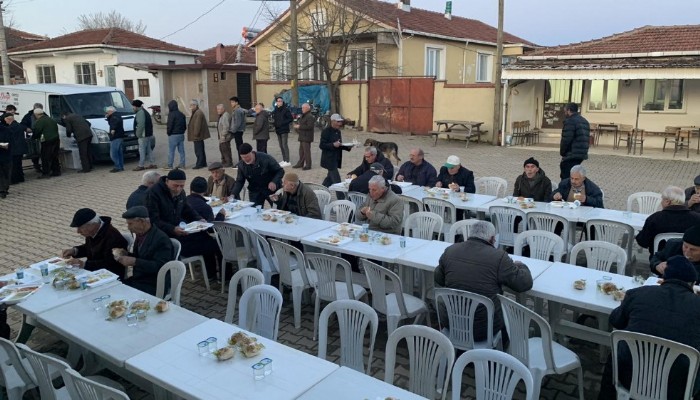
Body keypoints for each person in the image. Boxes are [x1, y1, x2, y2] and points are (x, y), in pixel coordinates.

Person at [598, 255, 700, 400]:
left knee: (615, 354)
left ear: (664, 278)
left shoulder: (637, 293)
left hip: (629, 375)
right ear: (692, 284)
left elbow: (616, 320)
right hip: (678, 387)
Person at [435, 220, 533, 348]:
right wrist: (522, 266)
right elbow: (523, 284)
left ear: (470, 235)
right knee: (505, 313)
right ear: (492, 239)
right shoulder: (499, 257)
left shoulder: (450, 250)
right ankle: (502, 352)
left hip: (451, 322)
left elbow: (439, 278)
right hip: (483, 329)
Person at [146, 168, 220, 279]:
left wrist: (198, 219)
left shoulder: (180, 192)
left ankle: (211, 274)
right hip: (163, 236)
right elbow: (153, 220)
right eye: (176, 186)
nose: (178, 189)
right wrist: (172, 229)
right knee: (211, 244)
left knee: (209, 239)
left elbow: (186, 209)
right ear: (167, 181)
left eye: (182, 186)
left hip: (179, 231)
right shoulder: (153, 193)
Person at [117, 206, 173, 296]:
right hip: (139, 280)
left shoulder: (161, 239)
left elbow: (160, 266)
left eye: (130, 224)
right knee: (115, 287)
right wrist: (127, 254)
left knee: (120, 294)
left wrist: (135, 262)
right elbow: (142, 256)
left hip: (153, 284)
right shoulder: (141, 234)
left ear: (142, 222)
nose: (128, 228)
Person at [636, 186, 700, 258]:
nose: (661, 202)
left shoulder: (655, 218)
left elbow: (643, 242)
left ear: (667, 202)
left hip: (659, 261)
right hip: (689, 261)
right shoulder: (697, 219)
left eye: (662, 199)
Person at [61, 208, 128, 277]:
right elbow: (89, 248)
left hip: (110, 276)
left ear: (92, 225)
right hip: (95, 272)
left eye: (80, 228)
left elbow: (110, 263)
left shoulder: (113, 237)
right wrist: (74, 251)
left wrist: (84, 264)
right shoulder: (93, 232)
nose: (78, 231)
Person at [319, 113, 352, 187]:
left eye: (340, 122)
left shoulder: (338, 131)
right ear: (332, 121)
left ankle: (321, 191)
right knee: (337, 182)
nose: (340, 124)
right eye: (338, 122)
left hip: (336, 159)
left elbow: (339, 145)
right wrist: (332, 145)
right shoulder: (326, 131)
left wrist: (348, 147)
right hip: (329, 160)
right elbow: (322, 145)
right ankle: (342, 197)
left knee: (329, 179)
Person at [559, 102, 590, 180]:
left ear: (569, 110)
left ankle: (566, 191)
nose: (564, 112)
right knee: (575, 176)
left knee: (566, 177)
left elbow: (566, 139)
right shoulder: (584, 121)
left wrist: (562, 152)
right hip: (581, 154)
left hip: (571, 154)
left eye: (565, 110)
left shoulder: (570, 121)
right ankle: (575, 191)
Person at [32, 108, 60, 178]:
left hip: (47, 141)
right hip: (56, 139)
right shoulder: (50, 119)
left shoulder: (40, 121)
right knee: (54, 156)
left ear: (36, 115)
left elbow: (37, 131)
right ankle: (56, 171)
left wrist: (34, 138)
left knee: (45, 157)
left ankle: (46, 173)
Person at [132, 99, 156, 171]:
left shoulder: (140, 113)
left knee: (141, 150)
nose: (132, 108)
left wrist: (138, 134)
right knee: (149, 149)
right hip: (148, 134)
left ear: (136, 106)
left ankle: (141, 165)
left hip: (143, 135)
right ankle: (152, 163)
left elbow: (141, 125)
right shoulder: (144, 111)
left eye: (133, 106)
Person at [2, 111, 25, 186]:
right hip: (21, 148)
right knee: (18, 164)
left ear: (7, 119)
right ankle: (21, 178)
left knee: (14, 165)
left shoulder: (10, 128)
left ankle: (14, 180)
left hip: (14, 148)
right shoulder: (19, 125)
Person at [187, 99, 210, 169]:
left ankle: (199, 163)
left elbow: (197, 125)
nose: (190, 106)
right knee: (200, 150)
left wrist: (196, 134)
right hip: (197, 136)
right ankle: (202, 163)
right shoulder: (196, 112)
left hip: (197, 136)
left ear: (195, 105)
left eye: (191, 105)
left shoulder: (198, 113)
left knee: (198, 150)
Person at [20, 103, 42, 172]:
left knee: (42, 151)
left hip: (41, 135)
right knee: (34, 152)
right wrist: (26, 128)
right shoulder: (28, 116)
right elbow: (22, 124)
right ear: (34, 108)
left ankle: (44, 166)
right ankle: (36, 166)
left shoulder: (43, 114)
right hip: (31, 136)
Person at [166, 99, 186, 170]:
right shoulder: (182, 114)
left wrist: (168, 132)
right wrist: (182, 131)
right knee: (181, 151)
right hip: (181, 134)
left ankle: (170, 165)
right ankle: (182, 164)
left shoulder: (171, 114)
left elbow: (170, 125)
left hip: (173, 135)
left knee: (171, 151)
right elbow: (184, 125)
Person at [293, 103, 314, 170]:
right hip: (302, 135)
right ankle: (300, 163)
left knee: (306, 152)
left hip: (307, 136)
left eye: (303, 108)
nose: (302, 109)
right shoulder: (303, 115)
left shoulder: (310, 116)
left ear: (307, 108)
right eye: (302, 108)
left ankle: (308, 165)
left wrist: (299, 126)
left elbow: (310, 126)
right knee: (301, 151)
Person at [272, 97, 292, 164]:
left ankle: (287, 160)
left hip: (284, 129)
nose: (279, 102)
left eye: (280, 101)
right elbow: (274, 118)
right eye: (278, 101)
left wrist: (283, 123)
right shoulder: (275, 110)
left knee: (284, 145)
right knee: (280, 145)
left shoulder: (286, 110)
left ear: (282, 102)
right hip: (278, 130)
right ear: (276, 102)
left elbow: (290, 118)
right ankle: (284, 159)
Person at [105, 106, 125, 173]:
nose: (107, 113)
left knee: (113, 153)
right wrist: (108, 117)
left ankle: (117, 167)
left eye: (107, 112)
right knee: (119, 153)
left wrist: (112, 130)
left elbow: (114, 124)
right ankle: (121, 166)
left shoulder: (114, 117)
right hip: (120, 136)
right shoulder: (117, 115)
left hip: (116, 137)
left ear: (111, 111)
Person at [229, 96, 247, 161]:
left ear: (236, 103)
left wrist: (232, 130)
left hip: (238, 130)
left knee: (239, 146)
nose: (231, 103)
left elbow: (237, 122)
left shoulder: (237, 111)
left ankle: (241, 161)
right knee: (239, 146)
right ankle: (241, 160)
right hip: (239, 130)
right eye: (231, 102)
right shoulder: (238, 110)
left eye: (233, 102)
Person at [0, 122, 11, 198]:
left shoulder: (6, 130)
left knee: (5, 172)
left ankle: (4, 189)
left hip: (5, 154)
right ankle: (3, 190)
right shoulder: (6, 129)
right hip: (6, 155)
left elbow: (8, 144)